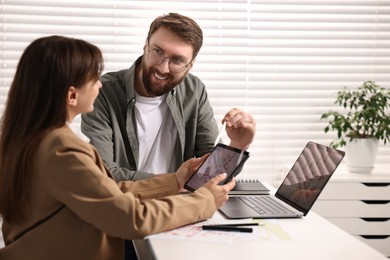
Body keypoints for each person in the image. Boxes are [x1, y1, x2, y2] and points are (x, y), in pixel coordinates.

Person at [0, 35, 235, 260]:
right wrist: (205, 201)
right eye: (94, 79)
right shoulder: (61, 149)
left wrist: (174, 181)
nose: (100, 85)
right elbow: (130, 217)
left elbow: (105, 193)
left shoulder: (36, 138)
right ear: (72, 95)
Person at [81, 12, 256, 182]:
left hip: (178, 205)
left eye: (177, 60)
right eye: (157, 51)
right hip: (126, 205)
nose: (163, 68)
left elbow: (213, 173)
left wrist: (237, 145)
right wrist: (174, 181)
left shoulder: (194, 90)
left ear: (190, 66)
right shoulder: (102, 91)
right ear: (145, 45)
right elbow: (102, 174)